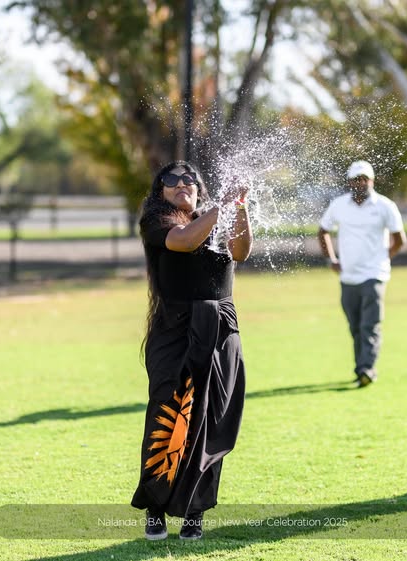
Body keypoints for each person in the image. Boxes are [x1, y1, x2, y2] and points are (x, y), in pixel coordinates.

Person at [131, 160, 251, 541]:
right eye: (171, 179)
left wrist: (240, 208)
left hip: (221, 328)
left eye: (190, 179)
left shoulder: (212, 219)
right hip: (175, 330)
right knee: (170, 413)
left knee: (212, 420)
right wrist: (219, 209)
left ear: (199, 189)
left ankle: (195, 513)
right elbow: (184, 241)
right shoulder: (157, 222)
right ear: (160, 190)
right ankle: (155, 509)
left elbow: (241, 251)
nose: (182, 183)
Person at [317, 160, 406, 387]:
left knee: (370, 325)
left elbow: (399, 239)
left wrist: (385, 257)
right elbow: (323, 231)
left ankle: (367, 368)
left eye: (364, 179)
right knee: (355, 326)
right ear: (349, 181)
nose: (360, 183)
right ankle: (361, 368)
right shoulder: (339, 205)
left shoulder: (385, 205)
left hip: (374, 275)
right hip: (348, 276)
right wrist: (332, 260)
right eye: (356, 179)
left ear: (372, 180)